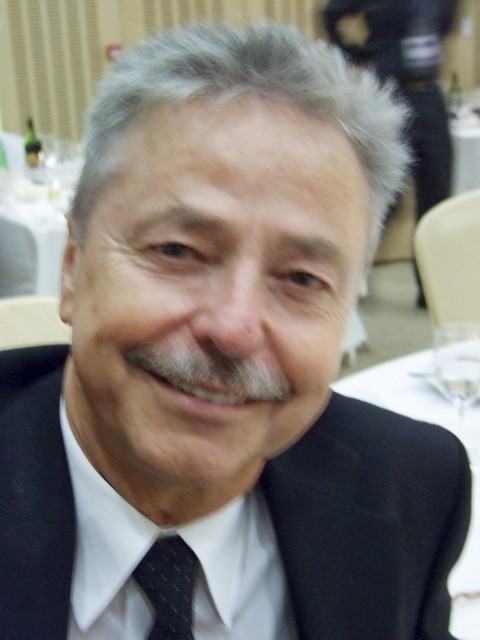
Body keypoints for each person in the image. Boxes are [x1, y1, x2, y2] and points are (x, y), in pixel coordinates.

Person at [0, 20, 471, 640]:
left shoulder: (412, 486)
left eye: (301, 279)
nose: (234, 328)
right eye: (177, 250)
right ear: (72, 267)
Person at [321, 0, 459, 307]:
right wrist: (356, 54)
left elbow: (444, 26)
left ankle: (430, 291)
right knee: (386, 200)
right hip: (390, 96)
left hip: (429, 95)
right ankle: (346, 277)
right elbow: (331, 13)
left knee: (436, 198)